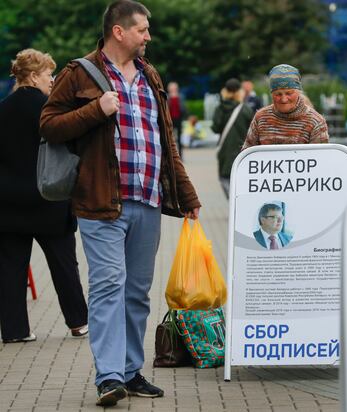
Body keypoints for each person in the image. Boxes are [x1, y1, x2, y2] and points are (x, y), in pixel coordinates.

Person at [39, 0, 201, 407]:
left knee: (136, 292)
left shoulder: (150, 76)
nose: (148, 37)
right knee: (110, 284)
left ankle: (130, 370)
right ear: (119, 31)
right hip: (100, 202)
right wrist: (96, 109)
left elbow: (167, 143)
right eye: (143, 30)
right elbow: (48, 125)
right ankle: (108, 376)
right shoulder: (79, 73)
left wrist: (188, 196)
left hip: (147, 200)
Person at [0, 49, 88, 344]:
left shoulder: (3, 109)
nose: (52, 80)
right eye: (49, 74)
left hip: (9, 202)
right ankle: (78, 322)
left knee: (11, 268)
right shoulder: (51, 109)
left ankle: (15, 331)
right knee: (63, 263)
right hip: (49, 197)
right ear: (34, 75)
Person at [242, 64, 329, 149]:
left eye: (289, 93)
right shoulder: (261, 118)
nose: (284, 99)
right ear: (271, 94)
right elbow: (247, 155)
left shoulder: (316, 121)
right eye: (278, 94)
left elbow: (320, 159)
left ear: (298, 92)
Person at [212, 78, 253, 198]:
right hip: (242, 151)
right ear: (240, 92)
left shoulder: (220, 109)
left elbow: (215, 128)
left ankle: (232, 203)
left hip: (224, 151)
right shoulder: (245, 109)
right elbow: (252, 130)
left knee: (224, 178)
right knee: (241, 180)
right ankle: (238, 205)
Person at [167, 81, 187, 160]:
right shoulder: (167, 97)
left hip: (179, 120)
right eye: (171, 87)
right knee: (170, 139)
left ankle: (180, 156)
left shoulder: (181, 97)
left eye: (174, 87)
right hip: (170, 120)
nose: (173, 89)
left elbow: (184, 108)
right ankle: (170, 157)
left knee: (179, 139)